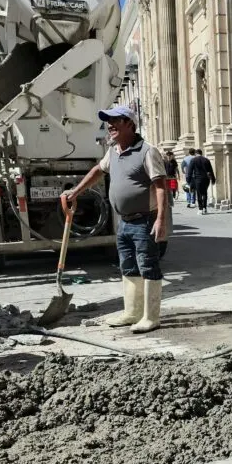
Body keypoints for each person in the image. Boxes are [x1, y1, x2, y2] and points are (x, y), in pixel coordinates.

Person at [63, 106, 167, 333]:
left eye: (115, 121)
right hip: (125, 222)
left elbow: (161, 187)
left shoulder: (147, 152)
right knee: (128, 266)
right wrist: (76, 192)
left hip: (145, 220)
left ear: (129, 124)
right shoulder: (113, 151)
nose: (109, 125)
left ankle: (151, 317)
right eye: (107, 121)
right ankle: (132, 312)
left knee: (148, 265)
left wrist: (161, 220)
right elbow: (97, 171)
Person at [187, 149, 215, 214]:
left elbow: (190, 171)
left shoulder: (193, 160)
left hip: (198, 179)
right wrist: (213, 179)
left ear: (196, 154)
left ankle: (200, 209)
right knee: (205, 193)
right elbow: (211, 170)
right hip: (206, 179)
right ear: (201, 153)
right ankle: (205, 208)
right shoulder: (206, 160)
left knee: (199, 193)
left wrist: (189, 181)